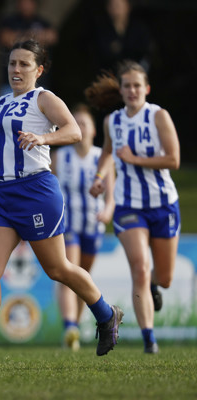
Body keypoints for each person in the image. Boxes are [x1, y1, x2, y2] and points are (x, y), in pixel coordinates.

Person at [0, 39, 123, 364]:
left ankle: (106, 313)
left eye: (24, 64)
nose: (16, 69)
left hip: (35, 192)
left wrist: (44, 137)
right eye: (12, 63)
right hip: (0, 194)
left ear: (38, 70)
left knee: (58, 269)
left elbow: (74, 131)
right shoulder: (0, 103)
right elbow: (2, 146)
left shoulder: (44, 99)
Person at [86, 60, 181, 354]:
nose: (132, 90)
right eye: (127, 85)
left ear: (146, 88)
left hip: (163, 203)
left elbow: (173, 160)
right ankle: (149, 339)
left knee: (163, 278)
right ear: (121, 89)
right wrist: (100, 177)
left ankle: (154, 285)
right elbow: (106, 154)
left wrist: (134, 160)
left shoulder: (158, 116)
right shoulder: (112, 121)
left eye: (137, 85)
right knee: (139, 268)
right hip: (129, 205)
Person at [52, 104, 115, 351]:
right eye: (76, 123)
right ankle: (69, 325)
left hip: (93, 224)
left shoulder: (103, 157)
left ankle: (74, 329)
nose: (81, 127)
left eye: (85, 123)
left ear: (93, 131)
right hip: (67, 223)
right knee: (69, 271)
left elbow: (111, 193)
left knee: (82, 278)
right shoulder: (60, 156)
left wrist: (108, 210)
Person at [0, 0, 58, 94]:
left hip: (39, 83)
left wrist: (19, 37)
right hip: (11, 84)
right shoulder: (9, 22)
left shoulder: (42, 22)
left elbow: (52, 36)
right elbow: (6, 38)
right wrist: (36, 37)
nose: (25, 5)